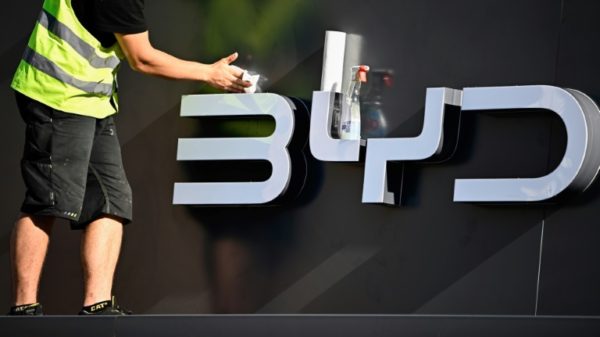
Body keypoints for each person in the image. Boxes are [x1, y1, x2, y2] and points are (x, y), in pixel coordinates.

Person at [8, 0, 250, 316]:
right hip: (57, 94)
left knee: (111, 200)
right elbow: (142, 58)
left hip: (93, 100)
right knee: (48, 201)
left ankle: (97, 305)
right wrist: (209, 72)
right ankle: (23, 308)